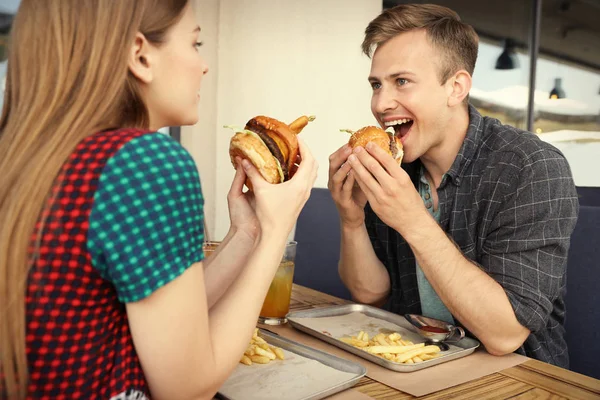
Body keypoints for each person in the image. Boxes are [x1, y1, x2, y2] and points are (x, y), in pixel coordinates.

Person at [0, 1, 318, 399]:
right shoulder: (145, 162)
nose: (203, 65)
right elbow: (187, 387)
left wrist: (248, 231)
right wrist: (277, 231)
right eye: (195, 43)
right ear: (140, 54)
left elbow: (168, 323)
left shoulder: (35, 157)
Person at [328, 3, 578, 367]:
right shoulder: (398, 167)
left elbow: (505, 335)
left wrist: (413, 220)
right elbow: (370, 295)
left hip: (520, 379)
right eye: (376, 85)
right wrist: (350, 218)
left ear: (456, 87)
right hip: (415, 368)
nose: (381, 103)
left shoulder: (531, 168)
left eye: (402, 82)